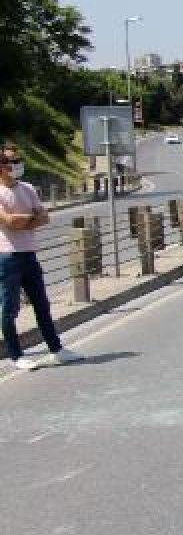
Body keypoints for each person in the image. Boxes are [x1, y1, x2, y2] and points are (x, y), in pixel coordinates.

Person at [0, 145, 80, 370]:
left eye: (19, 160)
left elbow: (45, 216)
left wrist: (24, 220)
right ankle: (16, 356)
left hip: (29, 254)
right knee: (9, 308)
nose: (17, 165)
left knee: (42, 304)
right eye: (12, 162)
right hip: (7, 256)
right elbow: (9, 222)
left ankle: (57, 349)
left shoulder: (28, 188)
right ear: (1, 166)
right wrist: (30, 218)